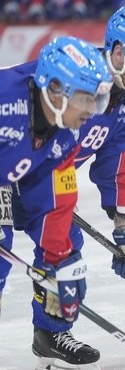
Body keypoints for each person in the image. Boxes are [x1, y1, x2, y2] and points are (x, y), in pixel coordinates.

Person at [11, 5, 125, 369]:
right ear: (119, 52)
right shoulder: (77, 73)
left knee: (66, 245)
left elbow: (117, 161)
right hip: (12, 164)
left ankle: (50, 334)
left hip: (44, 174)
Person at [0, 37, 112, 365]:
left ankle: (50, 334)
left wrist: (59, 259)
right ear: (54, 89)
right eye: (84, 99)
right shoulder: (5, 99)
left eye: (97, 100)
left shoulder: (68, 129)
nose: (92, 110)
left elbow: (56, 198)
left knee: (64, 244)